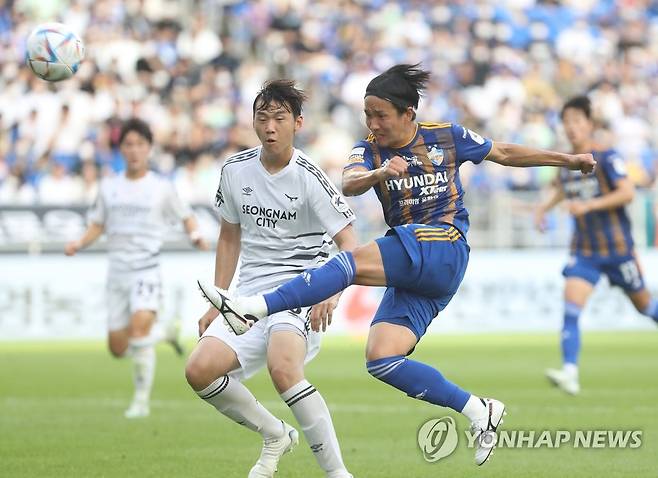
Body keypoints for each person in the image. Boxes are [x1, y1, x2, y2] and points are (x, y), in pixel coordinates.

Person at [199, 64, 596, 466]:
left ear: (409, 113)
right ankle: (480, 410)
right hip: (416, 266)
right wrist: (380, 171)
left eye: (380, 115)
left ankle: (256, 306)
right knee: (382, 358)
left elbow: (506, 153)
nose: (373, 123)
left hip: (444, 245)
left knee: (350, 262)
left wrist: (570, 160)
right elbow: (350, 183)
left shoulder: (448, 136)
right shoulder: (369, 148)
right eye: (367, 115)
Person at [185, 80, 356, 478]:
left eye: (279, 118)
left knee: (283, 369)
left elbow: (350, 244)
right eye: (262, 118)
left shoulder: (311, 178)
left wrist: (332, 291)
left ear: (297, 123)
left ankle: (337, 474)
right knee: (198, 370)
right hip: (247, 294)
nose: (270, 127)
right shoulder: (234, 170)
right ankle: (275, 434)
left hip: (299, 289)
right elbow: (229, 235)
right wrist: (219, 300)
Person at [65, 118, 208, 418]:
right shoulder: (109, 187)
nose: (134, 151)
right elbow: (97, 224)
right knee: (118, 348)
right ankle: (166, 333)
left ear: (149, 148)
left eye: (139, 145)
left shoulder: (160, 187)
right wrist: (79, 243)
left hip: (146, 269)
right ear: (121, 149)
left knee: (140, 329)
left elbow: (186, 216)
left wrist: (195, 235)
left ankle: (141, 401)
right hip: (117, 272)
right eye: (128, 145)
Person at [535, 96, 658, 395]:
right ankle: (569, 373)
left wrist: (589, 206)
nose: (572, 128)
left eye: (577, 121)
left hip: (618, 250)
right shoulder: (566, 164)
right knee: (571, 306)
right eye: (567, 123)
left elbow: (627, 193)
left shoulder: (606, 157)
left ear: (589, 124)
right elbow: (563, 191)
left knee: (646, 307)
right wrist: (543, 209)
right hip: (585, 252)